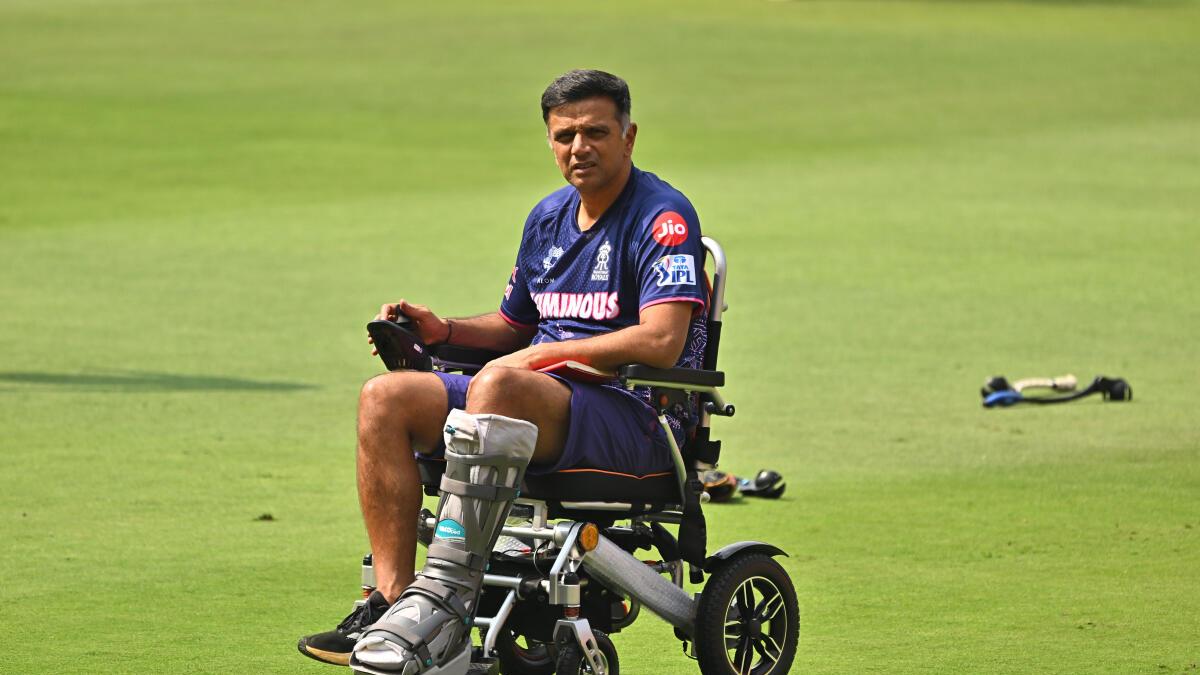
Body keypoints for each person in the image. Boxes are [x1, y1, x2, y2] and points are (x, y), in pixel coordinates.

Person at [298, 69, 709, 673]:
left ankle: (446, 608)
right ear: (549, 141)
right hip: (534, 398)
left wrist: (535, 359)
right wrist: (443, 333)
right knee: (384, 397)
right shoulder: (548, 217)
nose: (579, 147)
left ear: (629, 136)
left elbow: (663, 340)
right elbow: (515, 326)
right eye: (564, 135)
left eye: (596, 131)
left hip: (633, 415)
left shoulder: (663, 216)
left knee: (498, 383)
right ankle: (391, 600)